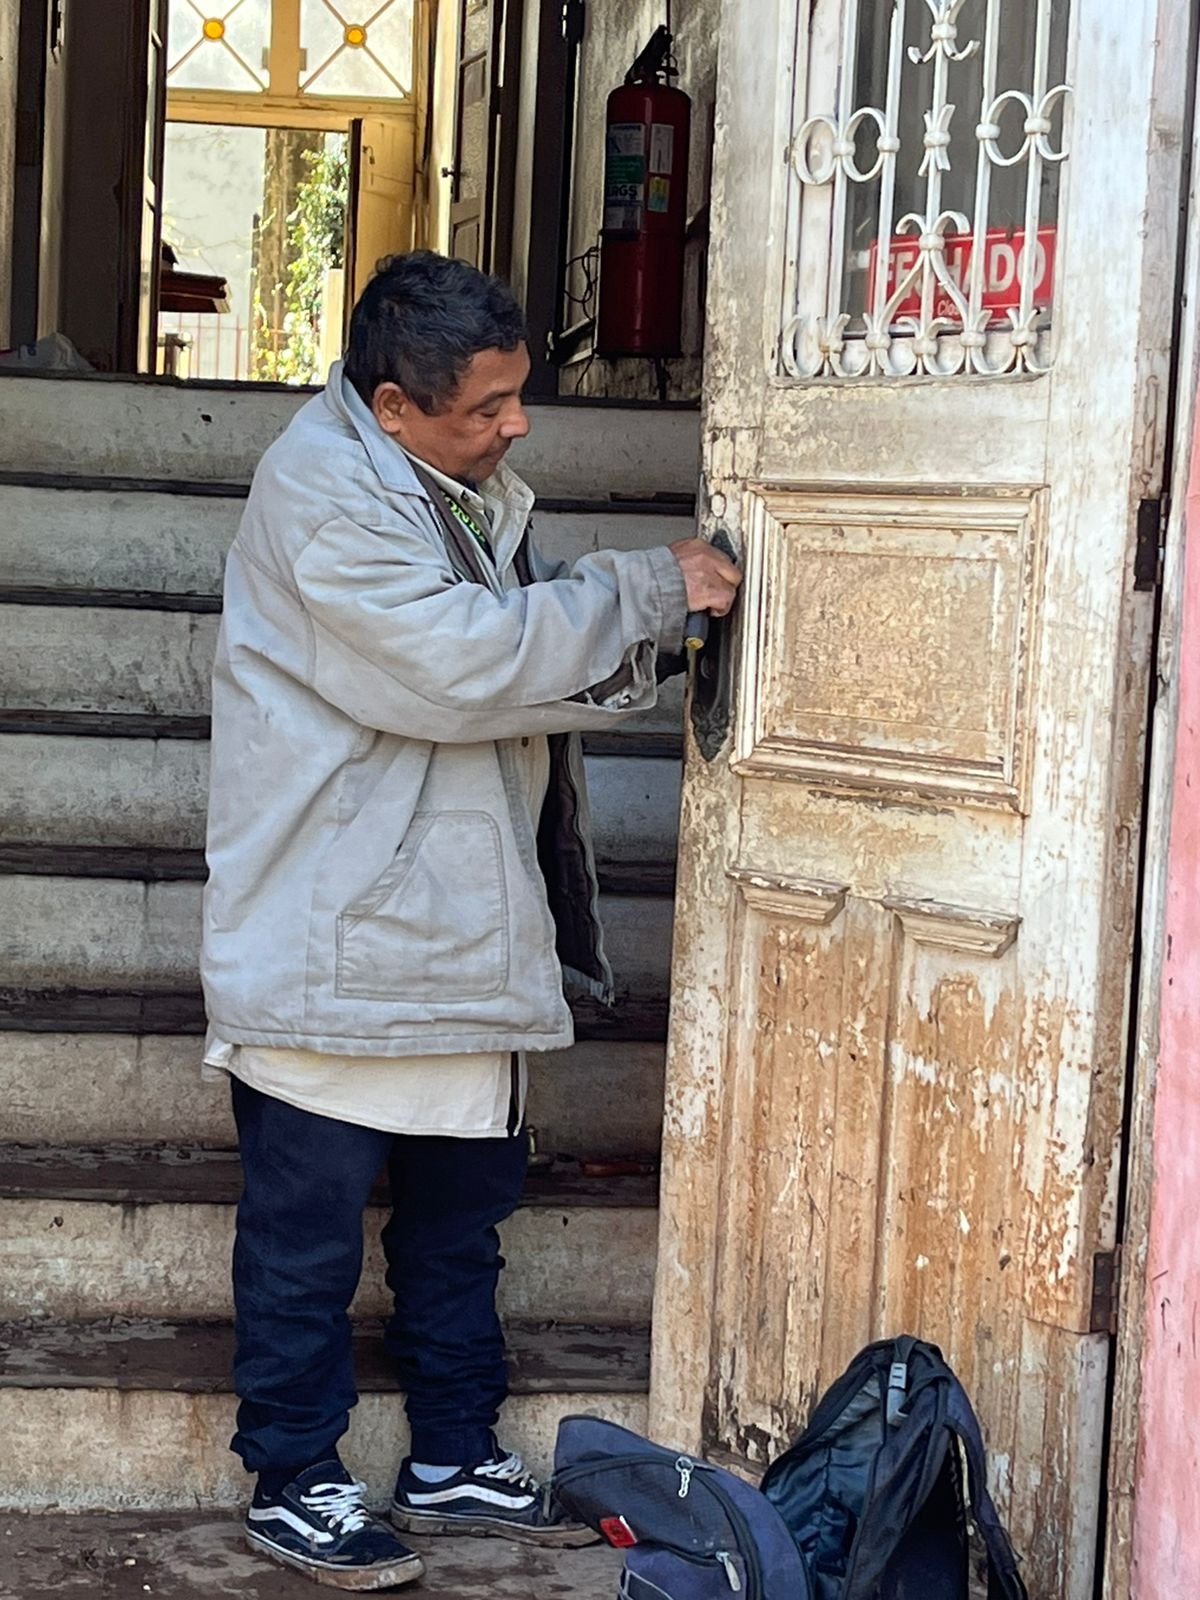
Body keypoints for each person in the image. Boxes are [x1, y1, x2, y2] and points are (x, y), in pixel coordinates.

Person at [200, 250, 741, 1589]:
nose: (518, 425)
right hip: (336, 930)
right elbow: (459, 666)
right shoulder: (324, 493)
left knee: (460, 1218)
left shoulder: (448, 475)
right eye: (489, 405)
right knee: (306, 1235)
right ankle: (294, 1474)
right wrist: (649, 593)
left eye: (518, 395)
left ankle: (449, 1448)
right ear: (391, 405)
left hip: (446, 927)